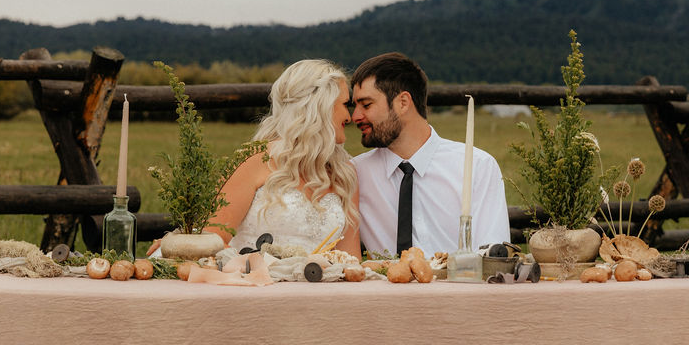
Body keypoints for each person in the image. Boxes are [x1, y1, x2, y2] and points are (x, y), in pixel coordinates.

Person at [350, 52, 510, 255]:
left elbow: (493, 260)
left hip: (459, 286)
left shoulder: (477, 166)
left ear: (403, 103)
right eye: (354, 106)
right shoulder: (355, 174)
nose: (355, 116)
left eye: (366, 105)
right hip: (386, 285)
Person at [207, 59, 361, 258]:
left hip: (322, 287)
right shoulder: (255, 161)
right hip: (252, 283)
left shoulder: (345, 174)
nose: (349, 117)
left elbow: (350, 260)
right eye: (344, 104)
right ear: (321, 106)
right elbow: (211, 241)